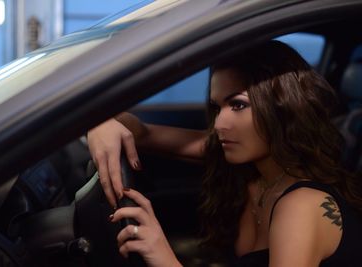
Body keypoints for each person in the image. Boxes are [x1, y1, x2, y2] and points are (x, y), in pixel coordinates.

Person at [87, 40, 362, 267]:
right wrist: (98, 123)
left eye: (238, 105)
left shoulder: (302, 206)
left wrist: (164, 256)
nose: (219, 123)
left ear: (282, 107)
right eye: (218, 107)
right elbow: (142, 133)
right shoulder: (254, 169)